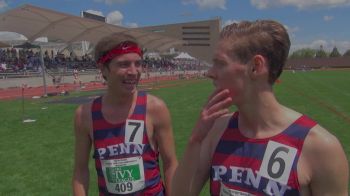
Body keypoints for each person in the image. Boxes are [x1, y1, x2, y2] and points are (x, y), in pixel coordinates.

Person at [172, 20, 349, 196]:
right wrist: (195, 140)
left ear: (255, 67)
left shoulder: (320, 148)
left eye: (220, 63)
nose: (210, 72)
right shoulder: (217, 130)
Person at [72, 33, 178, 195]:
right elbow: (80, 171)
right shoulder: (85, 115)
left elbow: (170, 164)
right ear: (103, 69)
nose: (133, 72)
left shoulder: (155, 108)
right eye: (124, 64)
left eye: (138, 64)